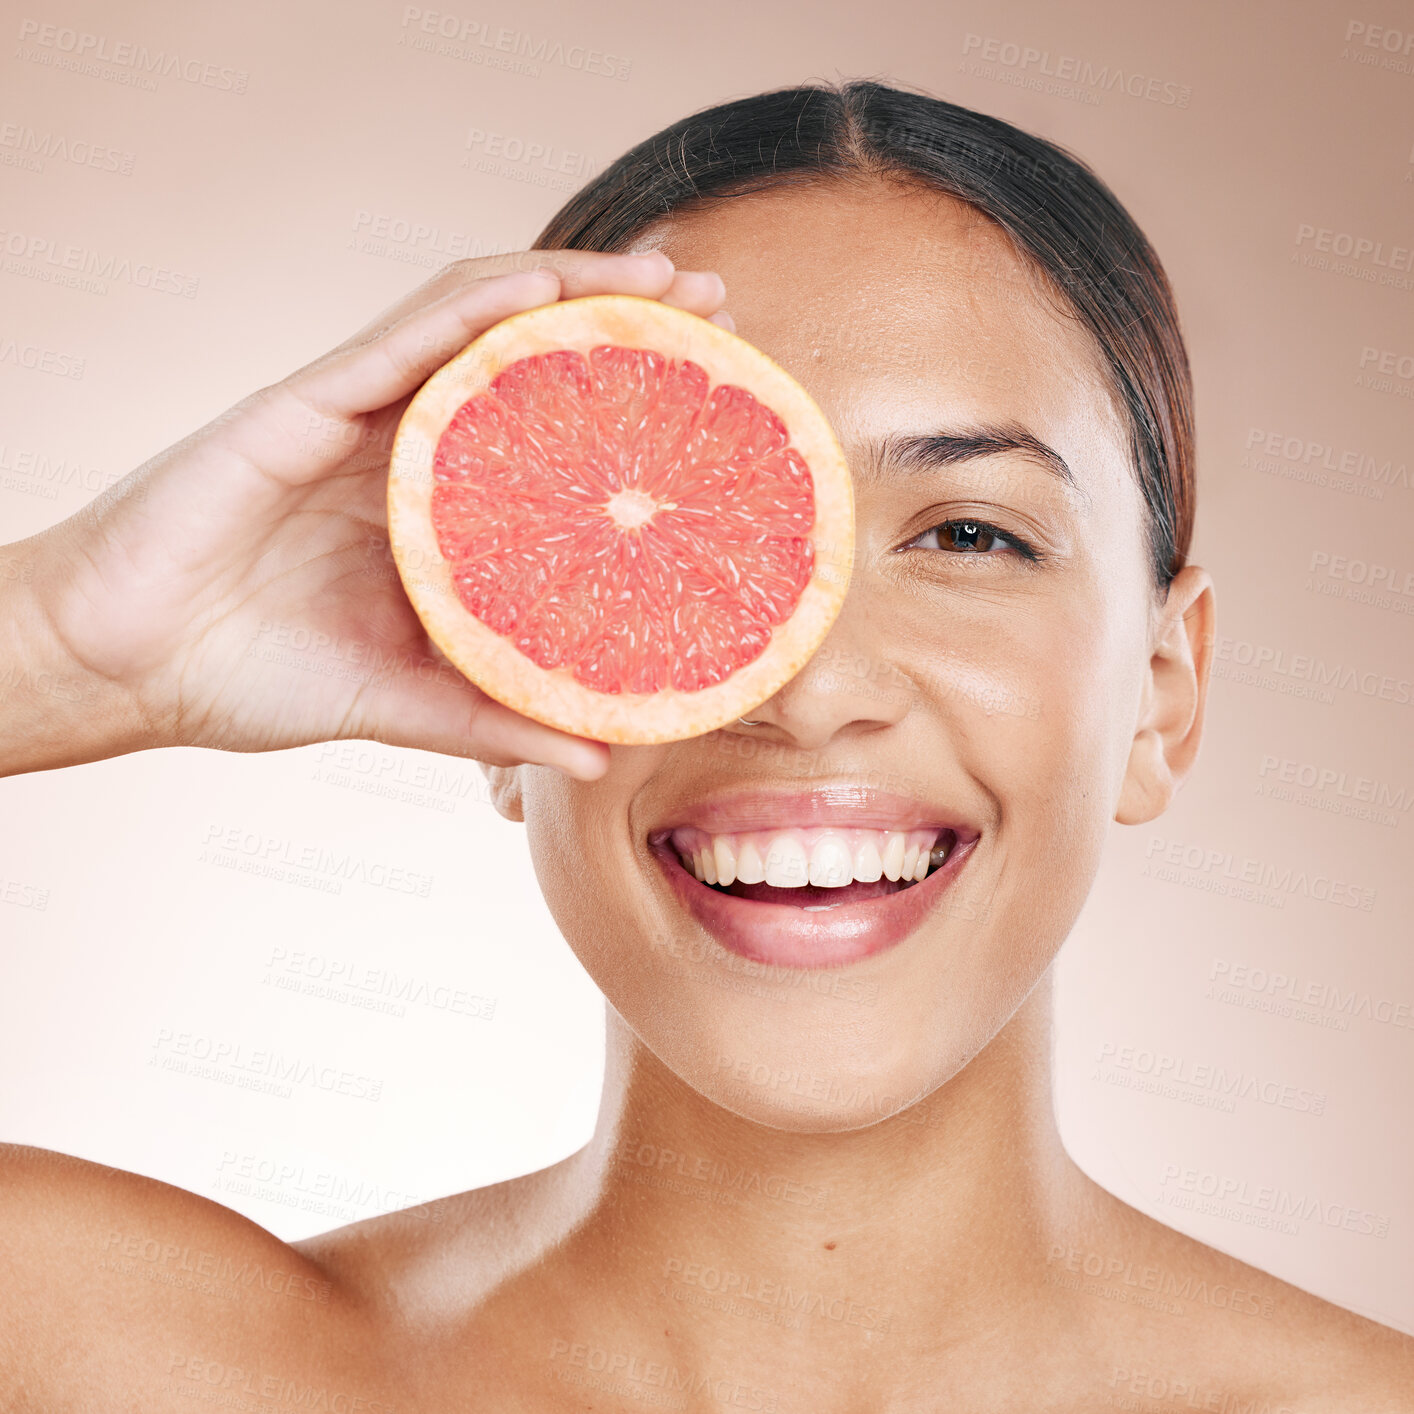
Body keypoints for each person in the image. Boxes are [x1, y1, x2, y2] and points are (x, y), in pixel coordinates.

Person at [1, 80, 1409, 1409]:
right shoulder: (128, 1361)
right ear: (487, 674)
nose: (809, 689)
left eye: (967, 533)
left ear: (1162, 692)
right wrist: (68, 649)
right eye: (686, 528)